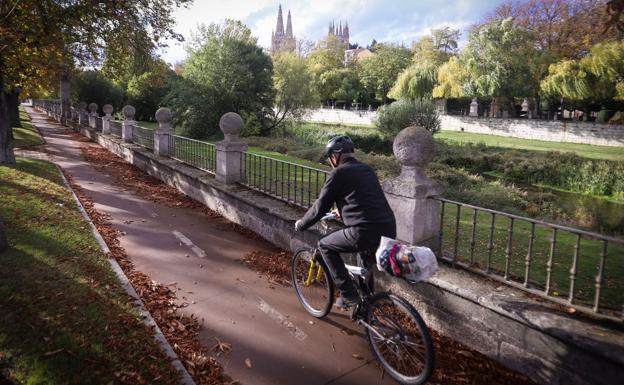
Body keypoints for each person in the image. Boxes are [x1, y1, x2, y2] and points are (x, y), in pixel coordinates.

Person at [294, 135, 396, 307]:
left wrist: (302, 224)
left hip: (363, 230)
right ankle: (367, 303)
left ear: (335, 156)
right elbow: (363, 198)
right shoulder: (366, 169)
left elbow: (320, 207)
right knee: (364, 264)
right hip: (387, 228)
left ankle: (349, 295)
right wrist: (342, 210)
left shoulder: (338, 173)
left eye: (330, 158)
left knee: (325, 246)